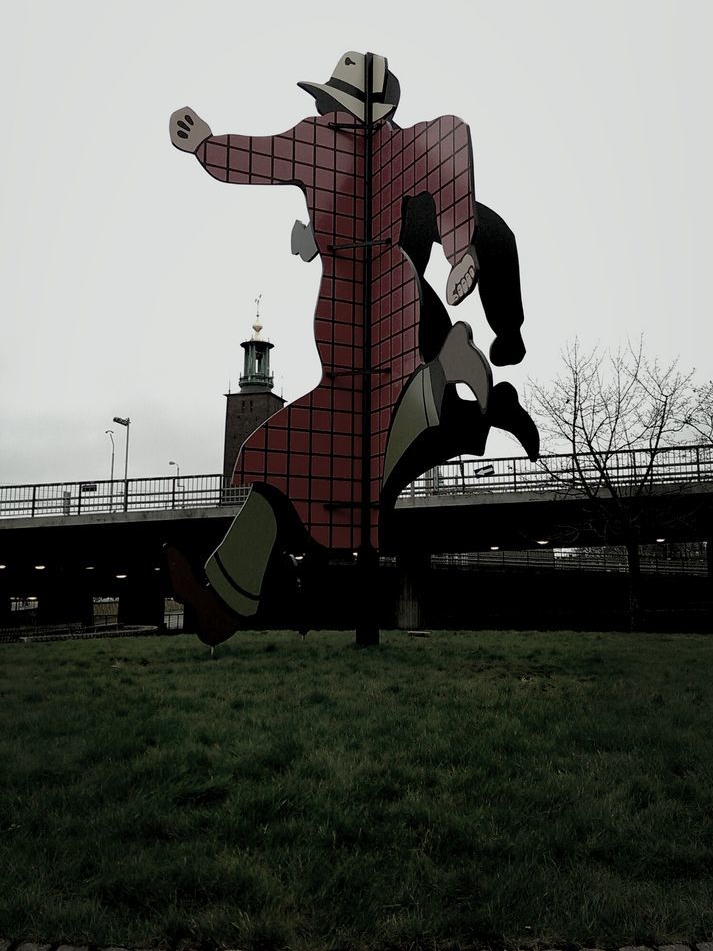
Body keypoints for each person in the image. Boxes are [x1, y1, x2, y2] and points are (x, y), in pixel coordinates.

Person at [167, 52, 537, 643]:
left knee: (361, 445)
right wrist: (206, 145)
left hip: (384, 313)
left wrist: (460, 246)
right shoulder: (320, 141)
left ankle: (453, 377)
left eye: (346, 109)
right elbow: (258, 156)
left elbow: (453, 140)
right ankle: (223, 604)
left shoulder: (395, 147)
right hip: (342, 313)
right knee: (285, 451)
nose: (337, 118)